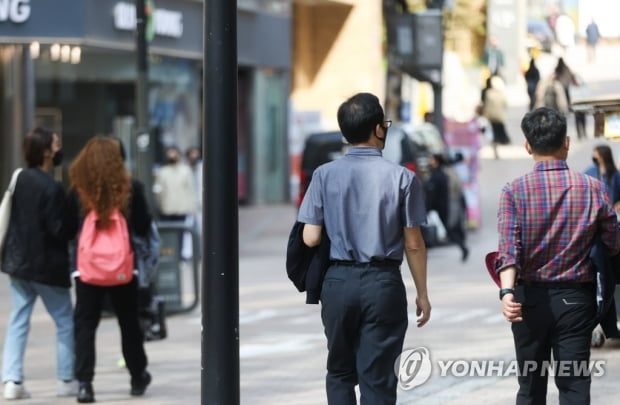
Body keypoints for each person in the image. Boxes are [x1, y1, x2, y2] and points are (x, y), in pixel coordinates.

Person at [298, 92, 431, 404]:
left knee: (340, 371)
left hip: (338, 283)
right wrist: (422, 293)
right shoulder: (403, 178)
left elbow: (311, 238)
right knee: (378, 378)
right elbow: (413, 244)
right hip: (382, 283)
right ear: (378, 129)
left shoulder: (322, 175)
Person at [495, 108, 620, 404]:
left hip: (526, 301)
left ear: (528, 147)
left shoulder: (513, 191)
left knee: (529, 389)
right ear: (566, 142)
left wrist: (507, 292)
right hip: (576, 301)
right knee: (575, 385)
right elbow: (614, 243)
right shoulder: (594, 189)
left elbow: (508, 250)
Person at [68, 136, 151, 403]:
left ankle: (85, 383)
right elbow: (143, 225)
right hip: (122, 269)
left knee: (85, 324)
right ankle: (137, 377)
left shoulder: (78, 191)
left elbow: (67, 229)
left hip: (88, 269)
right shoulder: (131, 189)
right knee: (129, 322)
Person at [1, 127, 78, 399]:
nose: (59, 150)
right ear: (46, 151)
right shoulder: (53, 187)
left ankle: (12, 381)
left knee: (19, 319)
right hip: (48, 267)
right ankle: (66, 379)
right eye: (56, 145)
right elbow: (60, 230)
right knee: (65, 321)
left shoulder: (19, 178)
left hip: (19, 264)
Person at [425, 153, 469, 262]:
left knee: (447, 230)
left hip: (440, 207)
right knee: (448, 230)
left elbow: (433, 193)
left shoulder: (438, 175)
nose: (430, 162)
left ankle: (463, 247)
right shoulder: (442, 173)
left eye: (432, 160)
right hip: (442, 206)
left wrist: (428, 207)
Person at [585, 145, 620, 213]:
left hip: (611, 210)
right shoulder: (590, 171)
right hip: (594, 210)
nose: (594, 156)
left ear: (603, 155)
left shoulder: (615, 173)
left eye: (596, 154)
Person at [482, 75, 510, 159]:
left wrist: (485, 115)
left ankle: (495, 149)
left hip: (492, 116)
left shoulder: (489, 93)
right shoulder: (502, 93)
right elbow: (505, 105)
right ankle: (497, 150)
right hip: (500, 116)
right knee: (498, 134)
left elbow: (487, 106)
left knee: (493, 134)